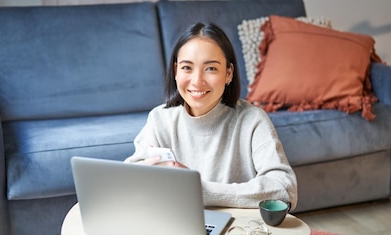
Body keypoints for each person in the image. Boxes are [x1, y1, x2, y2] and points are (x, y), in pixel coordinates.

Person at [124, 22, 297, 209]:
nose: (197, 81)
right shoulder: (160, 119)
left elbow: (284, 188)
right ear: (175, 71)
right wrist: (144, 176)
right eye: (187, 68)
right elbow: (126, 180)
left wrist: (198, 190)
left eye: (211, 68)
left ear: (228, 73)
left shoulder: (252, 120)